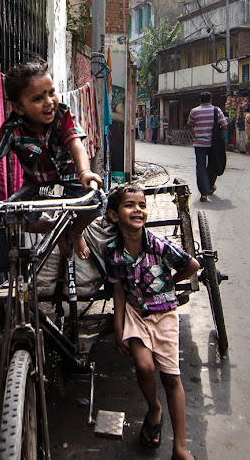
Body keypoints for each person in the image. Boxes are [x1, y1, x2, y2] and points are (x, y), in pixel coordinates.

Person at [0, 58, 104, 260]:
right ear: (18, 107)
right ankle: (56, 229)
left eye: (51, 92)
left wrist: (85, 172)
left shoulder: (62, 115)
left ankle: (75, 232)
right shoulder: (12, 129)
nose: (49, 102)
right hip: (36, 184)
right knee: (11, 216)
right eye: (37, 99)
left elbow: (75, 144)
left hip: (72, 177)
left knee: (96, 202)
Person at [104, 184, 199, 460]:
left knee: (171, 377)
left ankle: (180, 446)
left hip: (165, 313)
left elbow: (191, 265)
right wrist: (119, 326)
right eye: (130, 205)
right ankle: (154, 408)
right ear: (114, 215)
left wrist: (169, 282)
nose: (138, 210)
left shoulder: (159, 244)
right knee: (144, 367)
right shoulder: (113, 252)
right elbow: (119, 289)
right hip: (135, 313)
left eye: (142, 205)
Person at [187, 91, 228, 202]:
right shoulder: (216, 110)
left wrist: (195, 135)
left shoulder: (194, 111)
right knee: (213, 164)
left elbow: (189, 125)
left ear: (200, 100)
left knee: (200, 167)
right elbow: (224, 126)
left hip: (199, 144)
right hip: (214, 144)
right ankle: (210, 187)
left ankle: (204, 193)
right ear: (210, 100)